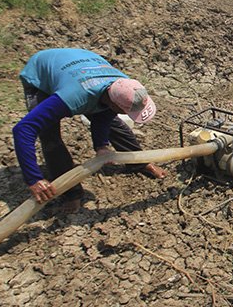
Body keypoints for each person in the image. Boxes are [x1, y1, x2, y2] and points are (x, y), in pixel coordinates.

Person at [13, 48, 167, 212]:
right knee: (50, 137)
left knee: (115, 125)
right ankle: (71, 193)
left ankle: (138, 163)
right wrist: (33, 178)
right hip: (41, 75)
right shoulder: (73, 97)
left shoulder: (125, 85)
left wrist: (101, 146)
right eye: (127, 111)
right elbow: (23, 129)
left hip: (78, 64)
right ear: (113, 102)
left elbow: (105, 115)